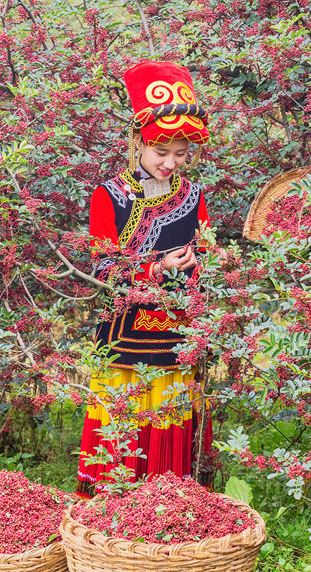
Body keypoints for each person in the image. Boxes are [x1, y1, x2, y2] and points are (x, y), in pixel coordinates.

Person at [76, 60, 213, 498]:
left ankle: (173, 508)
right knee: (126, 419)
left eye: (181, 154)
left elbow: (207, 251)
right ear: (137, 143)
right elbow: (102, 269)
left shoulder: (193, 195)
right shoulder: (109, 196)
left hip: (180, 330)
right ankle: (113, 514)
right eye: (161, 152)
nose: (172, 163)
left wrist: (199, 262)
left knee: (173, 415)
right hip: (125, 334)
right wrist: (157, 269)